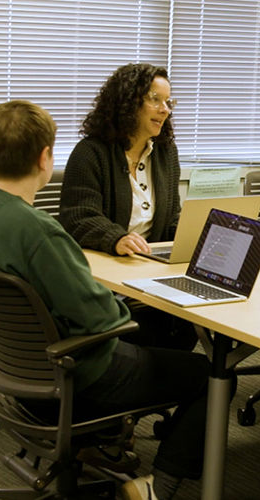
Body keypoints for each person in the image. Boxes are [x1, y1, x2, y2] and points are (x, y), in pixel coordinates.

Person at [0, 100, 228, 500]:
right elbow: (105, 321)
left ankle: (102, 442)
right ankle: (157, 486)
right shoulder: (41, 235)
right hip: (75, 378)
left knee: (153, 337)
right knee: (209, 375)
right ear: (44, 158)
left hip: (17, 378)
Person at [59, 63, 198, 351]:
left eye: (169, 102)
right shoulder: (90, 152)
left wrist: (195, 238)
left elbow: (171, 216)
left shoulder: (165, 152)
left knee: (193, 320)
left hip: (150, 268)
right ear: (127, 101)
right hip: (110, 276)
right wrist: (116, 237)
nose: (165, 110)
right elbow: (78, 217)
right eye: (155, 100)